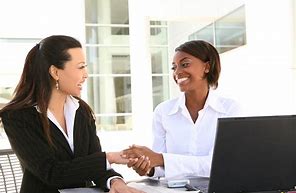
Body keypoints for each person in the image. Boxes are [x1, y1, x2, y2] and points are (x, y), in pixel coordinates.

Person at [0, 35, 145, 193]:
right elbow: (52, 173)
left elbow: (94, 161)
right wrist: (109, 157)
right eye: (81, 67)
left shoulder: (81, 110)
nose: (86, 75)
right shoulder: (17, 117)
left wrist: (115, 182)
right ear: (55, 72)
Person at [122, 40, 242, 179]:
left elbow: (220, 165)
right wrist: (148, 168)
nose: (177, 72)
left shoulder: (231, 110)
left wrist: (161, 159)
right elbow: (160, 168)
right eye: (174, 67)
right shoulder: (163, 111)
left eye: (185, 64)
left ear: (207, 67)